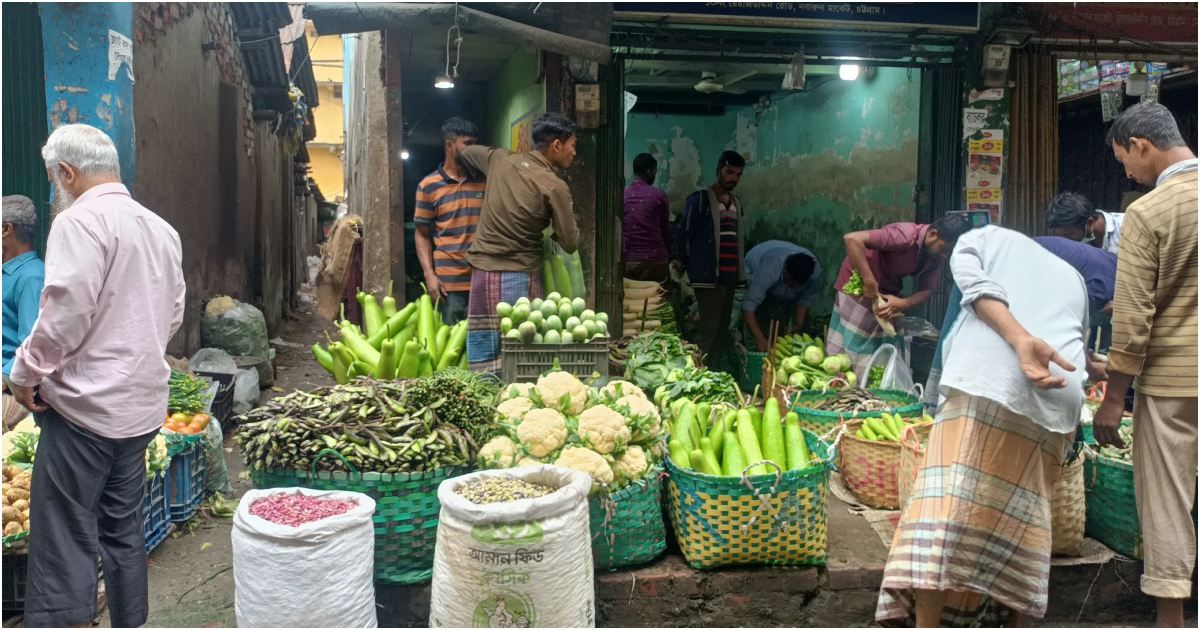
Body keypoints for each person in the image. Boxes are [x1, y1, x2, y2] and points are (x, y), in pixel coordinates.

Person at [877, 224, 1098, 628]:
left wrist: (1019, 341)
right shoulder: (1075, 279)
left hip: (989, 381)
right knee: (1022, 527)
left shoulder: (981, 239)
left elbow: (976, 291)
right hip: (1058, 395)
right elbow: (1078, 347)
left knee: (946, 519)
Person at [9, 124, 185, 628]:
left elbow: (64, 314)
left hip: (84, 414)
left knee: (64, 535)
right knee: (123, 530)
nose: (54, 191)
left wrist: (26, 373)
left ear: (66, 172)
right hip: (141, 411)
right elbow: (172, 313)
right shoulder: (160, 228)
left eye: (53, 180)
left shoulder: (78, 222)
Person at [1091, 102, 1197, 628]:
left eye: (1124, 163)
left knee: (1168, 499)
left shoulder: (1149, 212)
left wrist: (1113, 400)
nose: (1127, 174)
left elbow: (1132, 320)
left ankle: (1172, 620)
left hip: (1175, 383)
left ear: (1140, 144)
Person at [459, 113, 580, 374]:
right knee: (521, 349)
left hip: (483, 272)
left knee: (486, 349)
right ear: (556, 145)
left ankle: (484, 399)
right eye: (572, 145)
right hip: (518, 273)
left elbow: (466, 152)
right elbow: (570, 243)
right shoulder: (553, 186)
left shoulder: (499, 159)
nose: (574, 152)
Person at [828, 215, 972, 373]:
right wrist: (868, 280)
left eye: (949, 253)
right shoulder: (904, 235)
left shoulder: (935, 256)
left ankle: (873, 384)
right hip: (859, 285)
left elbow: (927, 290)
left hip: (887, 291)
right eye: (944, 249)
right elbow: (852, 239)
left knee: (885, 343)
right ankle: (845, 383)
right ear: (932, 234)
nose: (945, 256)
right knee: (855, 343)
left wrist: (904, 303)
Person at [675, 150, 746, 371]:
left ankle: (713, 372)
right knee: (709, 329)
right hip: (707, 276)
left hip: (729, 277)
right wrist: (682, 261)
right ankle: (698, 373)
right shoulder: (699, 201)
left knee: (722, 328)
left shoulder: (737, 204)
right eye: (729, 172)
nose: (733, 178)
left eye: (737, 174)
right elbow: (684, 232)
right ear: (718, 171)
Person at [414, 117, 486, 325]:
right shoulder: (428, 186)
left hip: (482, 279)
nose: (474, 151)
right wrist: (429, 275)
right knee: (450, 345)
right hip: (449, 284)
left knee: (480, 344)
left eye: (475, 144)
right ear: (449, 145)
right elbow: (422, 234)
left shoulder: (484, 181)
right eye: (468, 144)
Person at [741, 240, 821, 352]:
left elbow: (804, 300)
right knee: (762, 316)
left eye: (798, 286)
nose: (793, 287)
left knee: (792, 325)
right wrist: (759, 337)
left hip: (779, 272)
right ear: (785, 271)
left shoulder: (814, 274)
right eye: (790, 283)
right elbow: (748, 308)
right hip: (754, 265)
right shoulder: (769, 269)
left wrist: (798, 326)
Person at [2, 196, 45, 383]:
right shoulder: (8, 273)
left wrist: (4, 379)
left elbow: (33, 345)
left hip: (11, 386)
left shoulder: (32, 278)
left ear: (6, 230)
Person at [622, 152, 671, 283]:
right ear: (650, 172)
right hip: (656, 260)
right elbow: (664, 229)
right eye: (655, 172)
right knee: (659, 300)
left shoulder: (623, 195)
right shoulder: (659, 196)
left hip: (630, 261)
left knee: (632, 300)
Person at [1045, 191, 1125, 255]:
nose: (1063, 241)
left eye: (1068, 235)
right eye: (1059, 236)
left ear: (1089, 223)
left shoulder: (1127, 225)